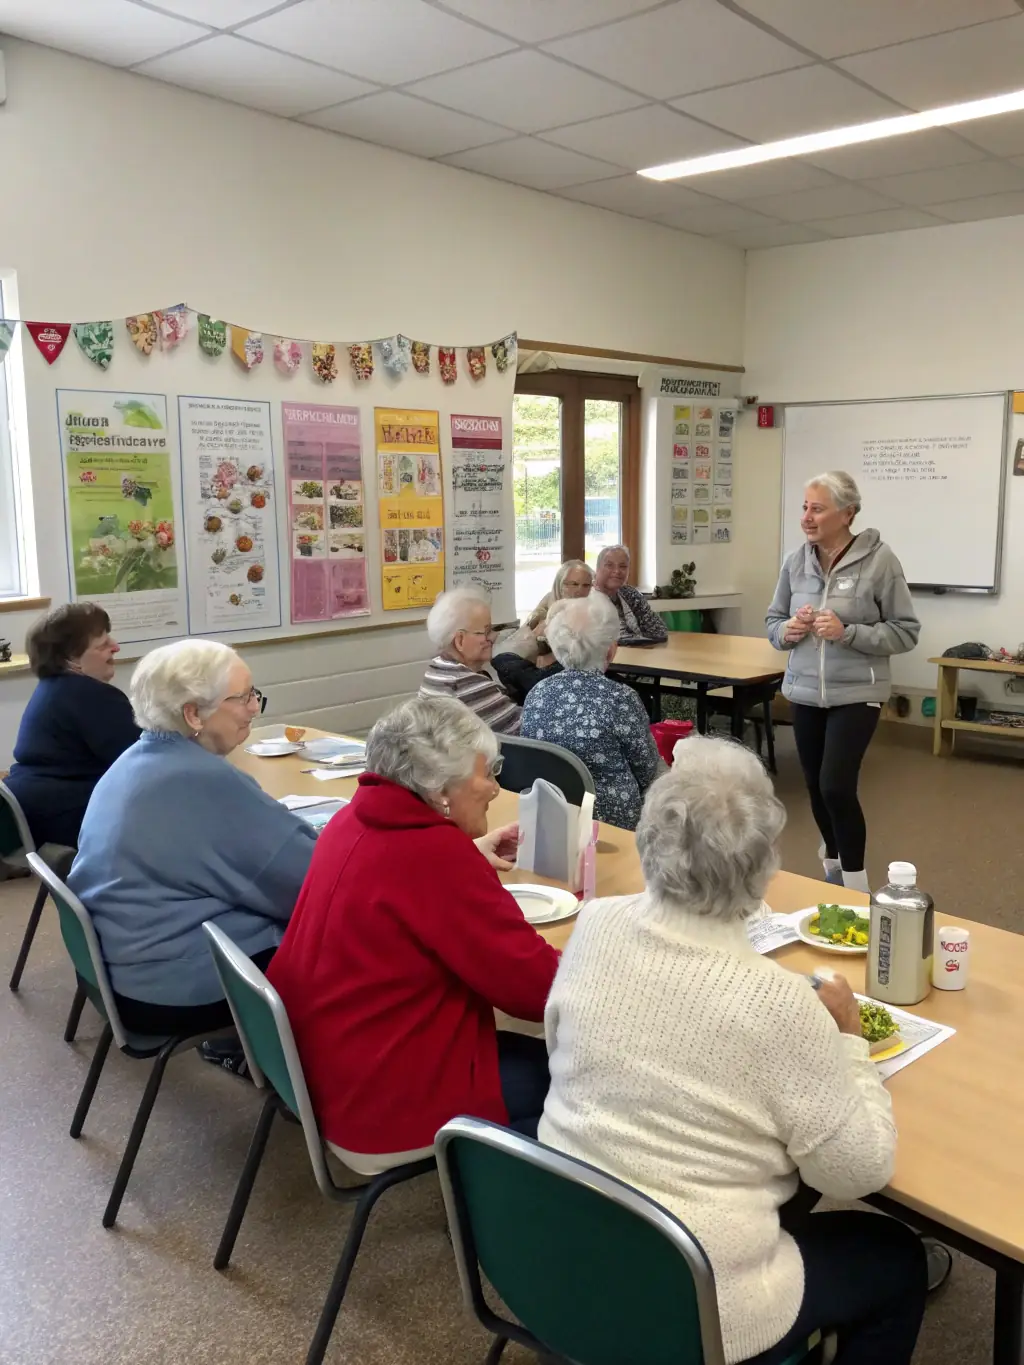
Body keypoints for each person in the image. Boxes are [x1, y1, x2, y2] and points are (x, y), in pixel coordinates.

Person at [540, 737, 928, 1365]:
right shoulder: (779, 1002)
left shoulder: (597, 922)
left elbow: (560, 1046)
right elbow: (858, 1173)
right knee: (895, 1258)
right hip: (697, 1300)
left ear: (649, 840)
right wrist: (852, 1042)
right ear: (762, 867)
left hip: (563, 1242)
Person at [267, 695, 560, 1171]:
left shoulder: (351, 819)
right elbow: (535, 991)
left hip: (327, 1068)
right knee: (583, 1075)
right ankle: (498, 1211)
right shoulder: (433, 858)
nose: (493, 788)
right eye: (486, 773)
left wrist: (465, 848)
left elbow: (407, 889)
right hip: (385, 1102)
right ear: (441, 788)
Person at [68, 639, 317, 1035]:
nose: (255, 707)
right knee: (356, 937)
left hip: (123, 966)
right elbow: (310, 884)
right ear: (192, 714)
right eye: (243, 698)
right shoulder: (201, 780)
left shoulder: (136, 759)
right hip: (172, 985)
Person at [766, 472, 920, 892]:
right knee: (816, 788)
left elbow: (906, 631)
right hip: (804, 691)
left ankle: (856, 885)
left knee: (836, 785)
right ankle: (833, 864)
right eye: (804, 507)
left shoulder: (880, 560)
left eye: (817, 508)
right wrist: (789, 632)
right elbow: (773, 622)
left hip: (858, 692)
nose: (807, 517)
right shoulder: (795, 561)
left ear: (847, 512)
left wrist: (847, 632)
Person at [4, 603, 140, 848]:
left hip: (28, 815)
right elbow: (144, 761)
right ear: (71, 659)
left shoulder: (52, 689)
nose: (116, 647)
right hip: (63, 820)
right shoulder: (92, 696)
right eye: (102, 645)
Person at [521, 592, 659, 830]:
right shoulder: (620, 698)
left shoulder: (537, 693)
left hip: (551, 817)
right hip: (611, 825)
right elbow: (648, 772)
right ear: (610, 650)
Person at [418, 586, 522, 734]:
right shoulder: (466, 685)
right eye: (486, 632)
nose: (493, 637)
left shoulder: (436, 669)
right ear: (460, 640)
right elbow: (526, 729)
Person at [593, 545, 667, 643]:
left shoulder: (630, 594)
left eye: (623, 566)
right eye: (609, 565)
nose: (617, 571)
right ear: (597, 569)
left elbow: (659, 630)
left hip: (637, 654)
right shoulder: (586, 596)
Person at [525, 558, 594, 635]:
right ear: (559, 586)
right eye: (574, 584)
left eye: (586, 585)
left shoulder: (595, 611)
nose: (580, 591)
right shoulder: (545, 615)